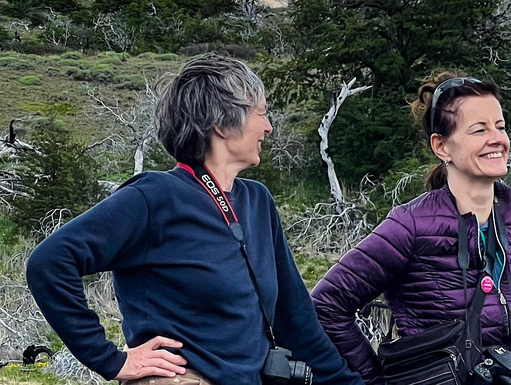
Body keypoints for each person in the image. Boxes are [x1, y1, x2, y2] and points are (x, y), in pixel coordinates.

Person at [26, 54, 363, 385]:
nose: (269, 126)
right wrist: (111, 361)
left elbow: (295, 317)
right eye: (261, 113)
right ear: (222, 123)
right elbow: (50, 262)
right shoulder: (156, 196)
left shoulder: (256, 200)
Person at [312, 74, 511, 385]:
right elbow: (327, 304)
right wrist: (376, 380)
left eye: (500, 127)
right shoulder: (412, 225)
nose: (497, 139)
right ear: (441, 146)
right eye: (479, 130)